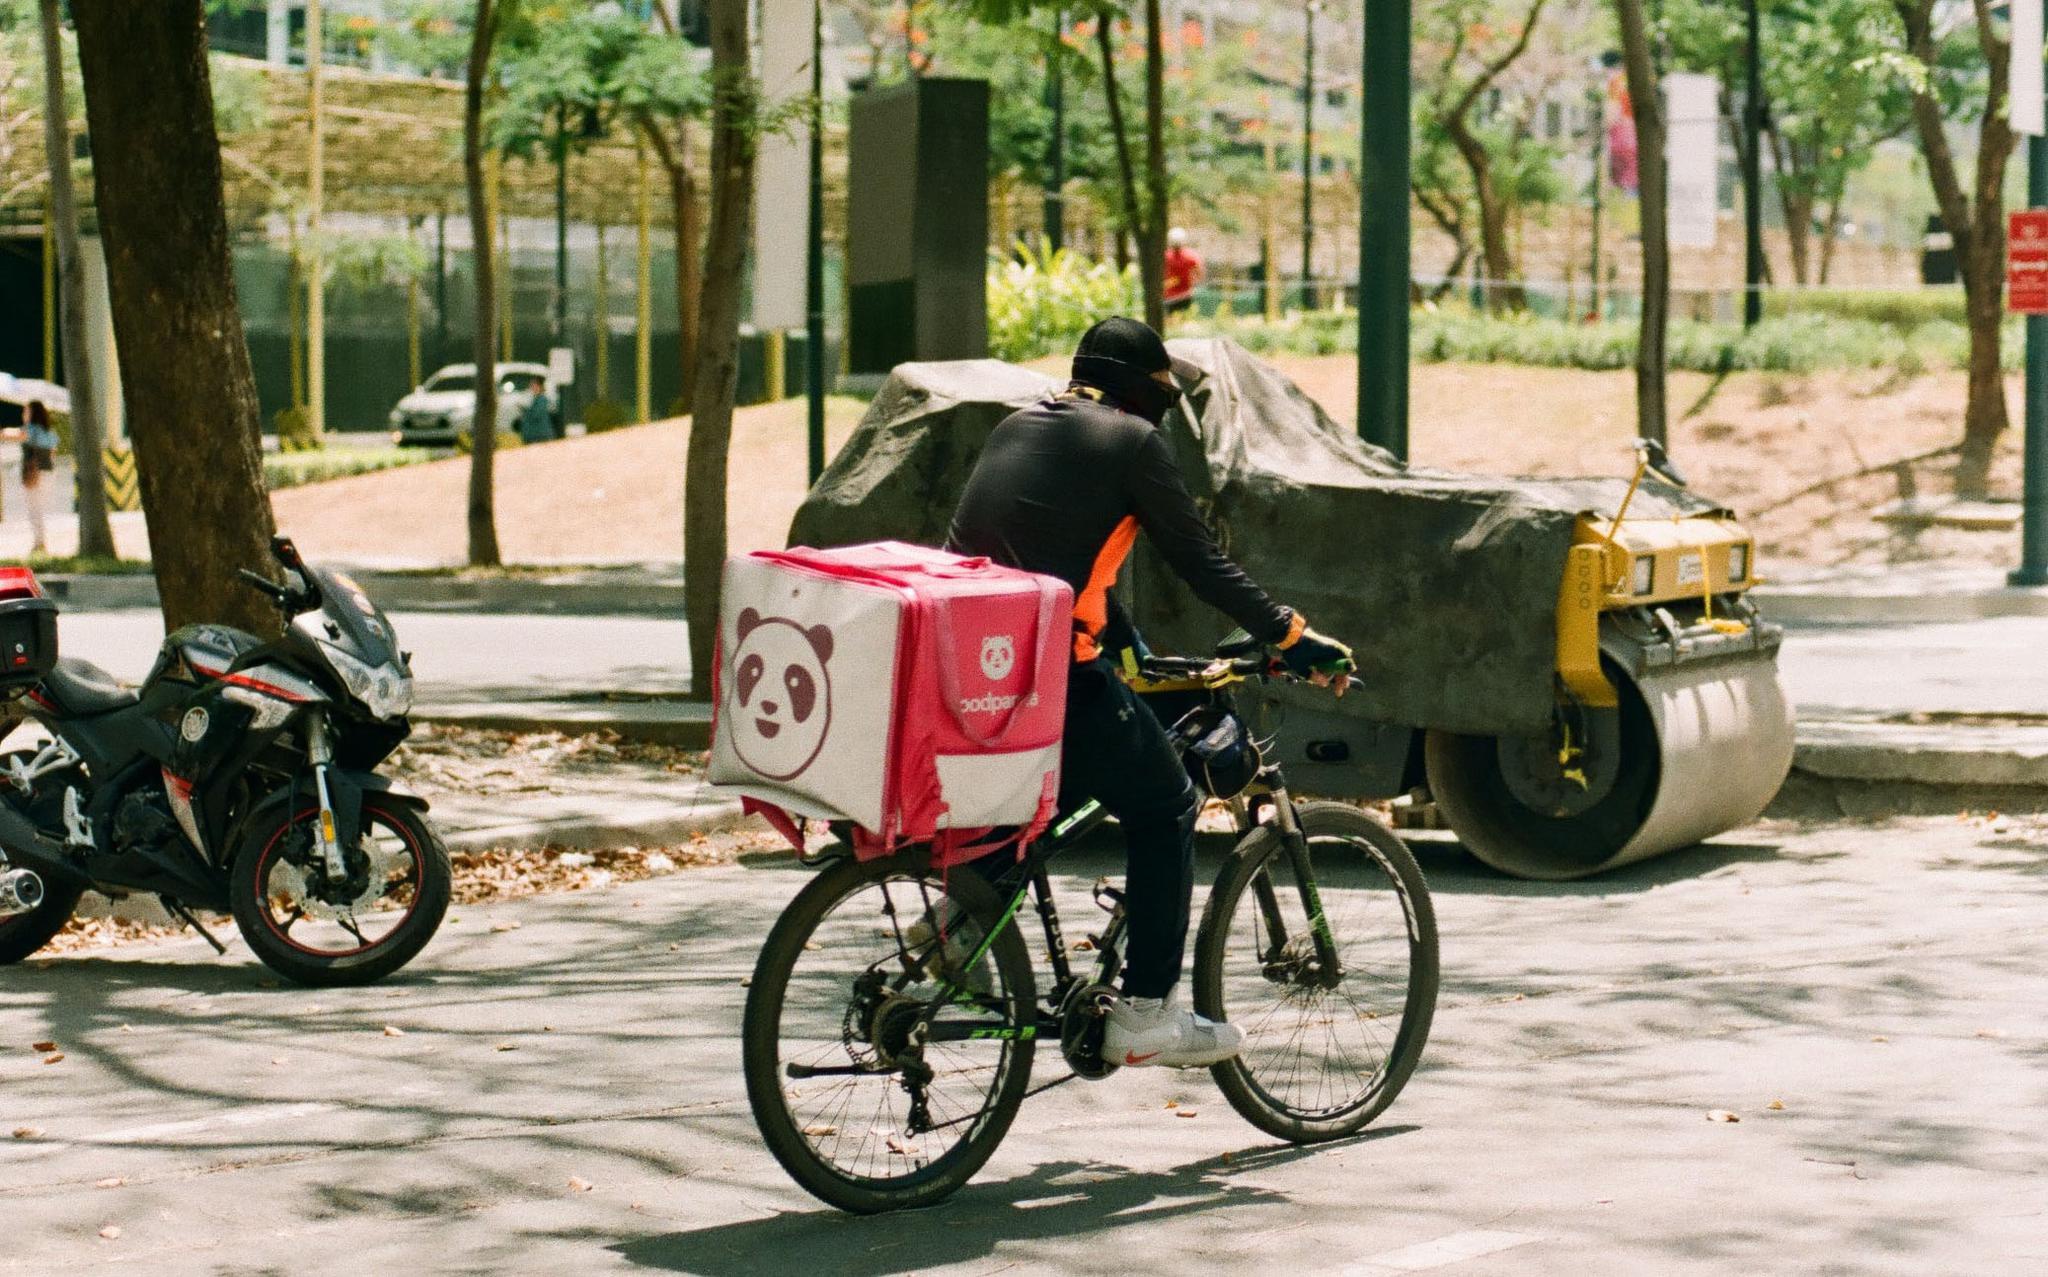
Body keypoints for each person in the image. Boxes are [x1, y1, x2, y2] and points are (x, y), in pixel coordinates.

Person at [947, 317, 1354, 1069]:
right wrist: (1293, 636)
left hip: (976, 669)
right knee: (1165, 804)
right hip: (1051, 671)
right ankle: (1144, 1012)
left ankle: (958, 922)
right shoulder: (1132, 442)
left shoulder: (1017, 426)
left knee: (1057, 791)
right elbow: (1203, 564)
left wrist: (1125, 645)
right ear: (1144, 392)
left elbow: (1053, 554)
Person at [21, 401, 58, 556]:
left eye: (26, 411)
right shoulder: (50, 432)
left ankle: (39, 544)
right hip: (49, 472)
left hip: (34, 474)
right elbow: (53, 453)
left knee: (34, 509)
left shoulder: (29, 430)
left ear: (32, 413)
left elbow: (12, 435)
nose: (23, 414)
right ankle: (40, 542)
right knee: (40, 508)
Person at [1162, 227, 1204, 318]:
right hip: (1185, 295)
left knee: (1169, 321)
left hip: (1169, 296)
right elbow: (1200, 273)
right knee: (1183, 320)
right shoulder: (1191, 256)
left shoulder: (1165, 256)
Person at [516, 375, 556, 445]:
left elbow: (536, 415)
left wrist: (525, 411)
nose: (531, 387)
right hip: (534, 436)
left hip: (539, 436)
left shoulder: (542, 399)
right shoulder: (535, 399)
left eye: (533, 385)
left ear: (539, 386)